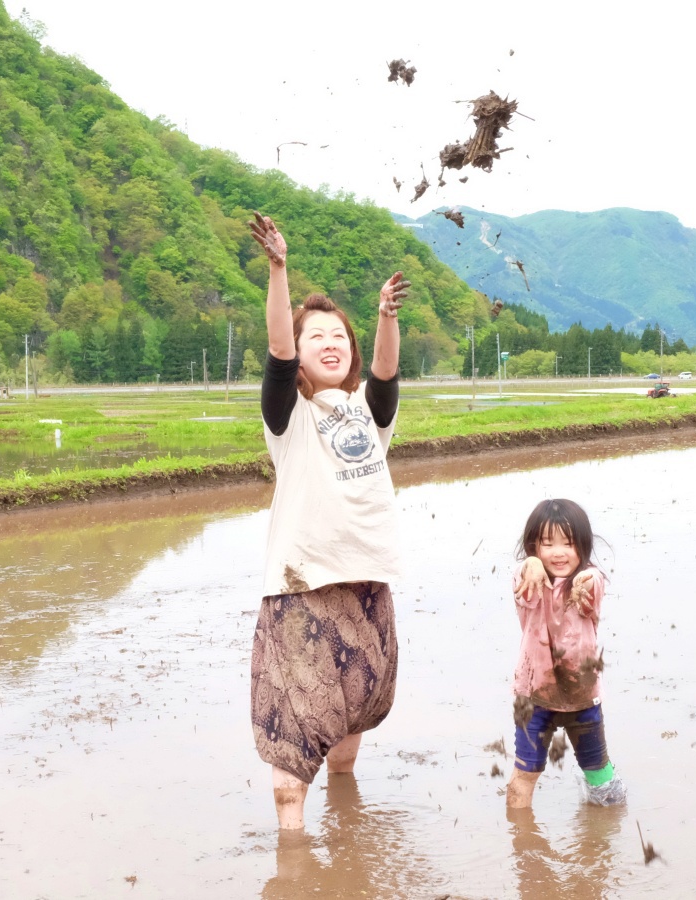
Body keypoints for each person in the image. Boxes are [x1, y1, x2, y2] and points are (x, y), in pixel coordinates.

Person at [247, 212, 410, 830]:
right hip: (302, 584)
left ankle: (348, 833)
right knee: (297, 724)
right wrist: (279, 268)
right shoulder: (288, 417)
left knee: (354, 716)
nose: (329, 343)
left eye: (338, 335)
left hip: (366, 578)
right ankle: (293, 858)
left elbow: (387, 374)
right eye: (316, 335)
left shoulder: (369, 413)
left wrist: (386, 317)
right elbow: (280, 355)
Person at [505, 499, 626, 808]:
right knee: (525, 773)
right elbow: (522, 575)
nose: (558, 552)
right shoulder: (528, 581)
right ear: (534, 546)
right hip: (534, 694)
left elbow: (594, 581)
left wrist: (583, 581)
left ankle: (602, 832)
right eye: (547, 544)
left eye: (568, 544)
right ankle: (522, 842)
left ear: (582, 547)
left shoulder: (589, 581)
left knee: (600, 777)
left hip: (581, 693)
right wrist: (530, 563)